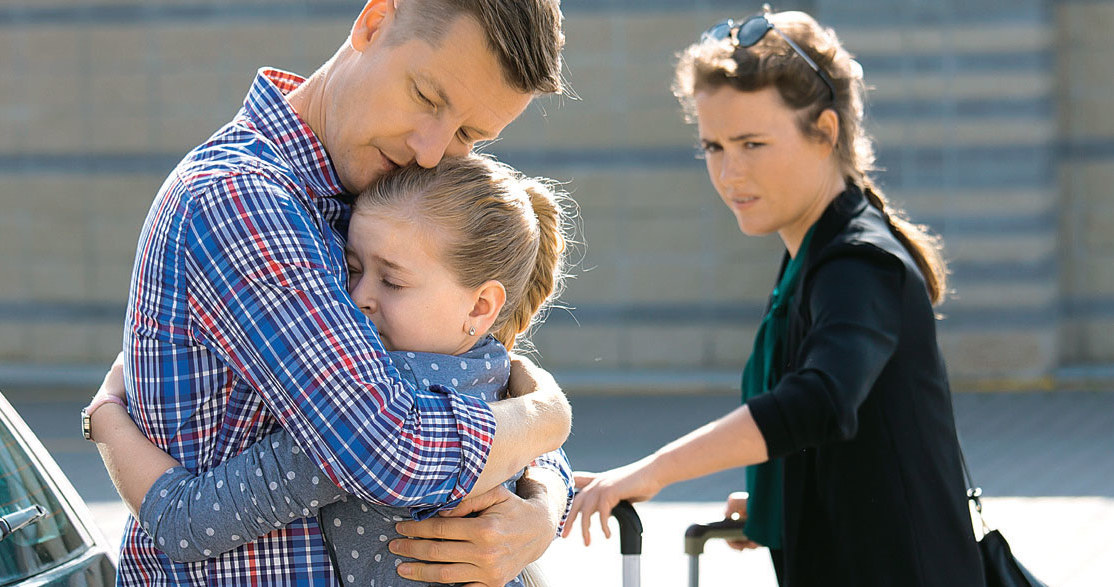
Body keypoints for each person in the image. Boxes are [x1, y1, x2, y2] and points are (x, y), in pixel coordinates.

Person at [81, 1, 575, 585]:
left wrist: (543, 499)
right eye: (426, 96)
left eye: (469, 134)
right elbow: (389, 449)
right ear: (372, 22)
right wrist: (547, 417)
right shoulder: (243, 200)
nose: (430, 151)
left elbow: (480, 377)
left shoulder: (387, 201)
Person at [566, 9, 984, 587]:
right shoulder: (812, 255)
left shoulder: (857, 261)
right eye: (713, 146)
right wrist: (778, 498)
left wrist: (654, 470)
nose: (729, 172)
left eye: (752, 143)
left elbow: (820, 402)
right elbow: (846, 433)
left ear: (826, 133)